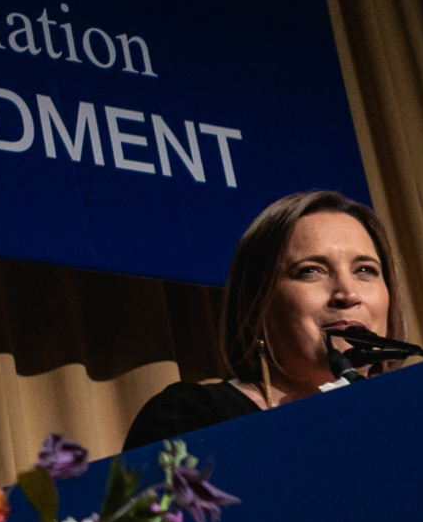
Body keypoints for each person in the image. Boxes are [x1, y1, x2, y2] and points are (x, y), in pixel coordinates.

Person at [124, 189, 399, 450]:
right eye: (310, 271)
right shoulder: (193, 418)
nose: (348, 294)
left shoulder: (409, 411)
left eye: (365, 270)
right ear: (256, 303)